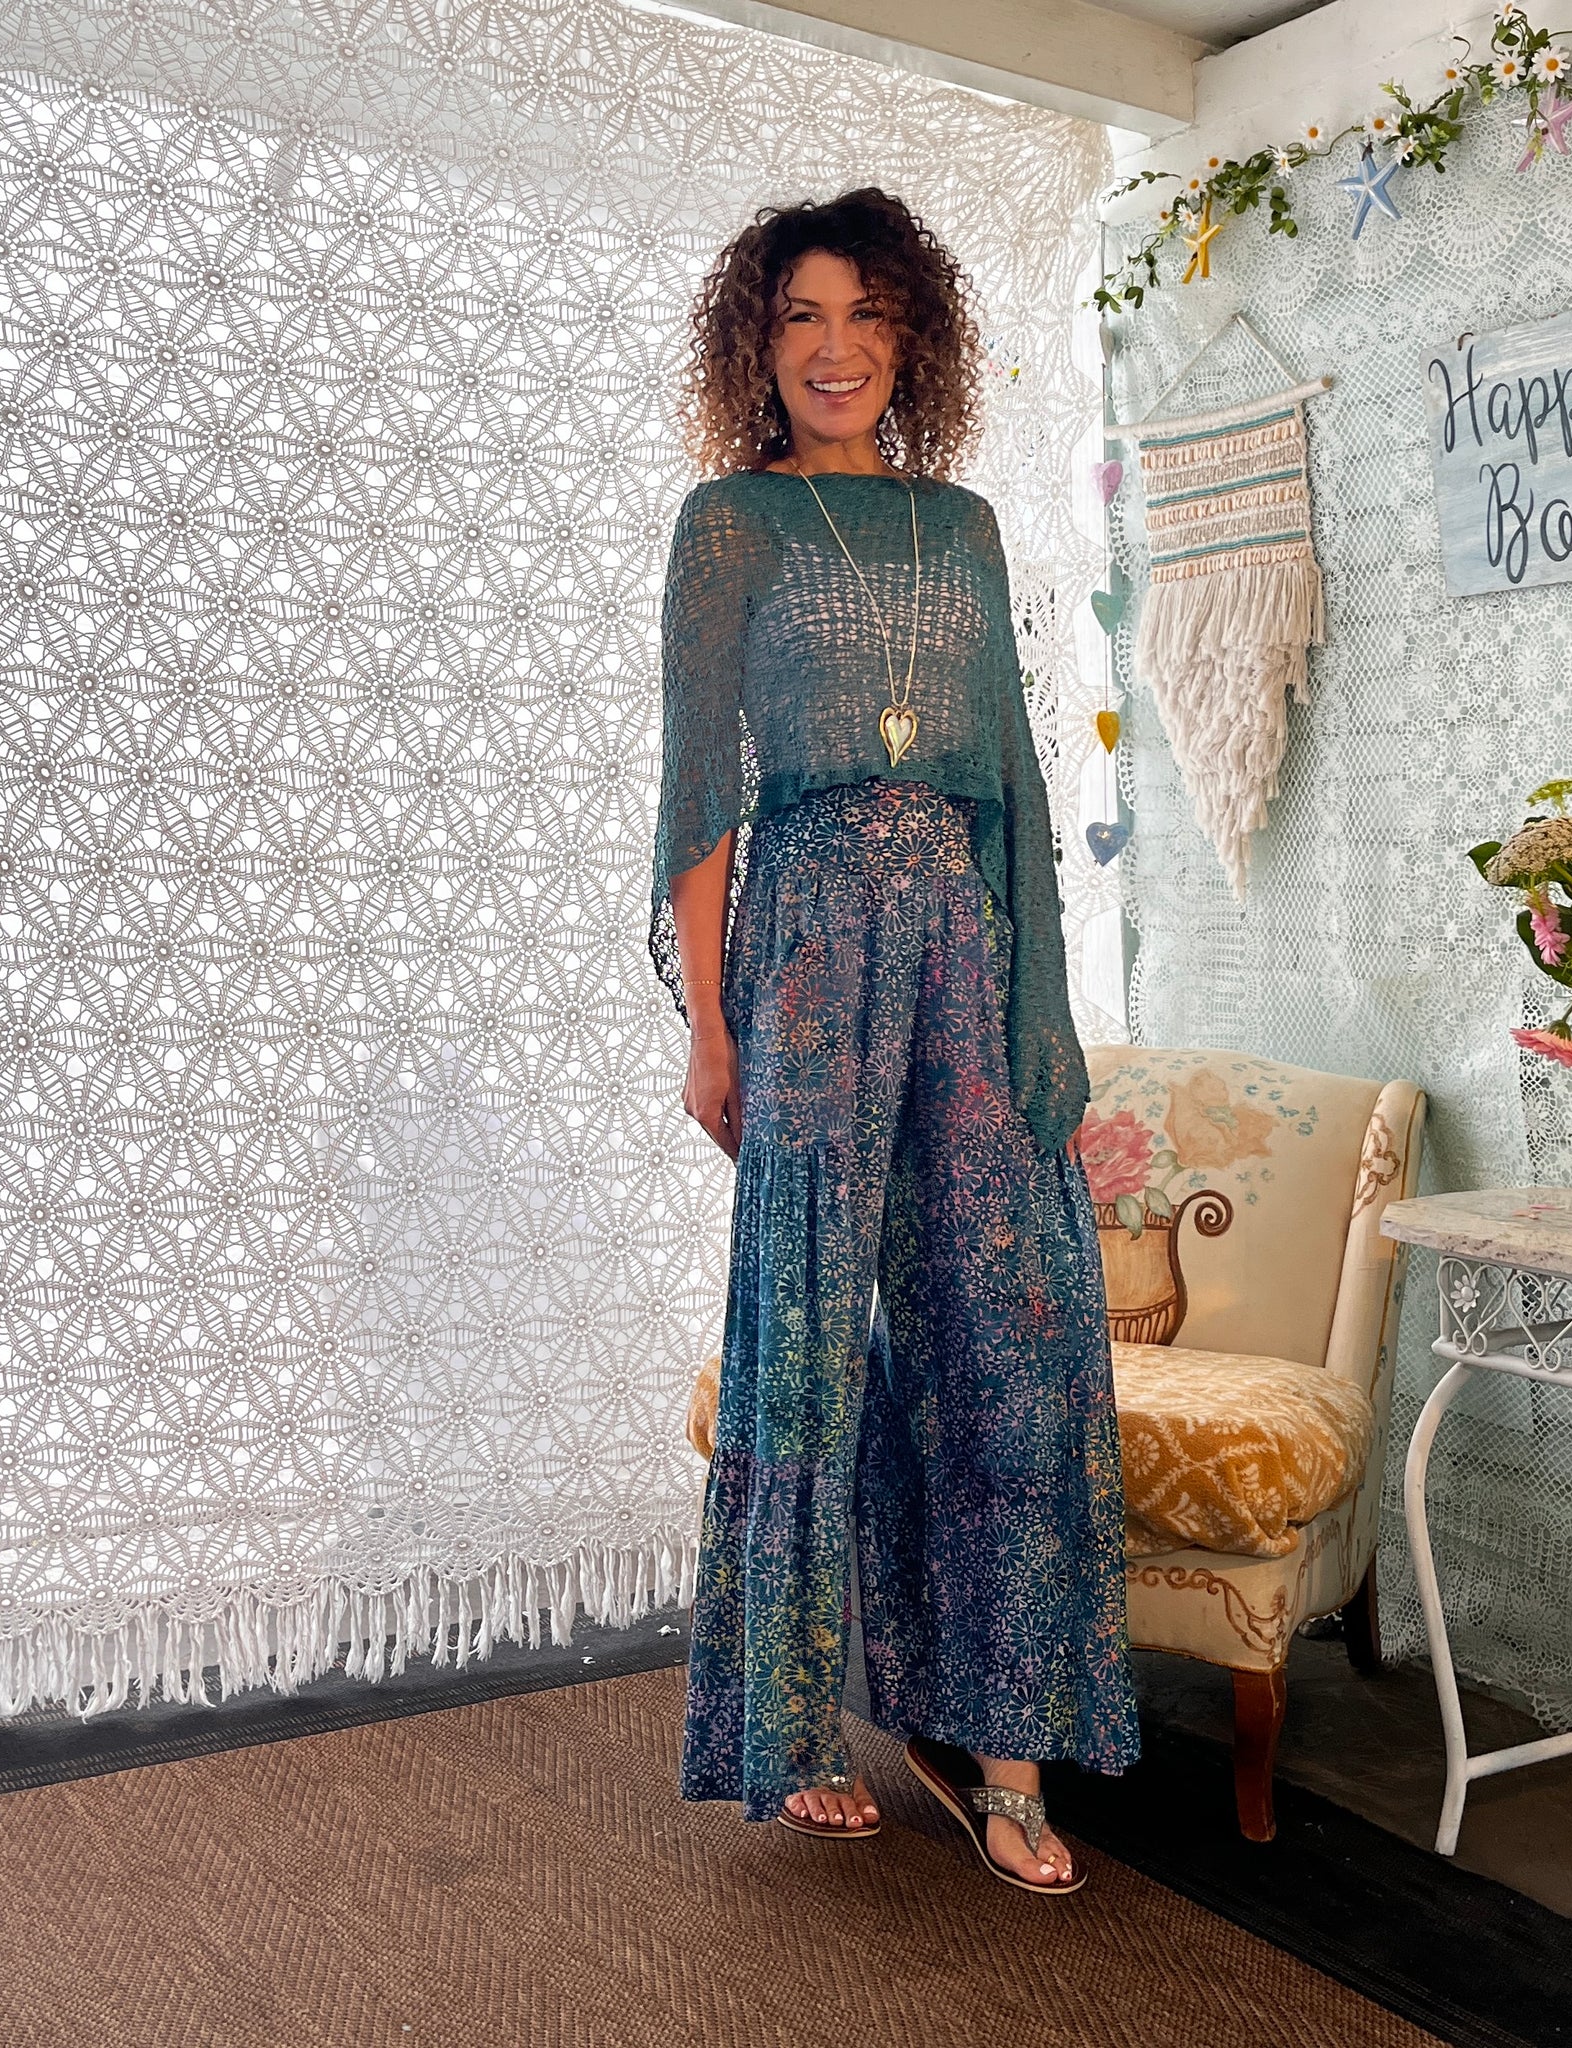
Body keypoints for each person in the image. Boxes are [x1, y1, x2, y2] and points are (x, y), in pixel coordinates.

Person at [651, 187, 1138, 1893]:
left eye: (864, 313)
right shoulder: (731, 525)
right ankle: (790, 1740)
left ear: (911, 337)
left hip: (966, 943)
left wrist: (1037, 1010)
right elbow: (703, 796)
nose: (834, 346)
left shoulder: (968, 529)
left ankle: (1004, 1756)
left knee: (1008, 1321)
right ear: (758, 344)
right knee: (801, 1324)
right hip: (802, 944)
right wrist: (709, 1025)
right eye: (799, 314)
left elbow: (1015, 786)